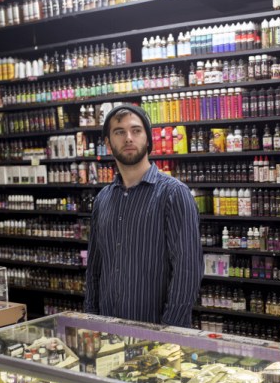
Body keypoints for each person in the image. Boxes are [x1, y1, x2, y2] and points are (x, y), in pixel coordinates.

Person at [84, 104, 203, 327]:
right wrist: (92, 321)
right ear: (108, 144)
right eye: (119, 132)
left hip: (158, 337)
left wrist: (168, 334)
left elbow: (187, 273)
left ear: (148, 139)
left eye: (136, 130)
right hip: (109, 335)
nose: (128, 138)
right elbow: (94, 269)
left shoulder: (174, 194)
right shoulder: (103, 199)